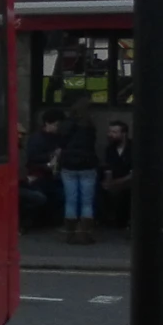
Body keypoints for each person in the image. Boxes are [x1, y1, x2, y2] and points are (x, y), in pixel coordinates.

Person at [59, 101, 101, 243]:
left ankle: (70, 234)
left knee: (70, 200)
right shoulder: (89, 126)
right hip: (87, 164)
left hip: (69, 164)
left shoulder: (65, 125)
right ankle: (84, 234)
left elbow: (61, 143)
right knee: (86, 202)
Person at [20, 111, 63, 229]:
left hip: (49, 172)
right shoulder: (36, 139)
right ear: (47, 124)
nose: (57, 128)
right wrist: (51, 157)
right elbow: (32, 157)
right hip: (39, 173)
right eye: (55, 125)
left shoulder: (54, 137)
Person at [99, 119, 134, 231]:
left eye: (114, 132)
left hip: (129, 181)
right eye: (110, 132)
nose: (110, 135)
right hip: (115, 181)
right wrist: (108, 182)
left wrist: (117, 182)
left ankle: (125, 221)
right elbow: (108, 167)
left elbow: (135, 172)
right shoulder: (110, 149)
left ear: (123, 134)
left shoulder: (133, 148)